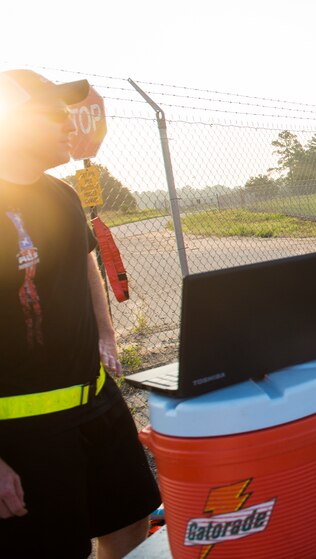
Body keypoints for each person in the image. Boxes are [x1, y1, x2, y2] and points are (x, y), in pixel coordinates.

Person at [0, 69, 161, 558]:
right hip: (26, 434)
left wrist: (106, 336)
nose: (70, 122)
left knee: (130, 521)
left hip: (97, 403)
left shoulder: (62, 194)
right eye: (54, 113)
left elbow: (85, 260)